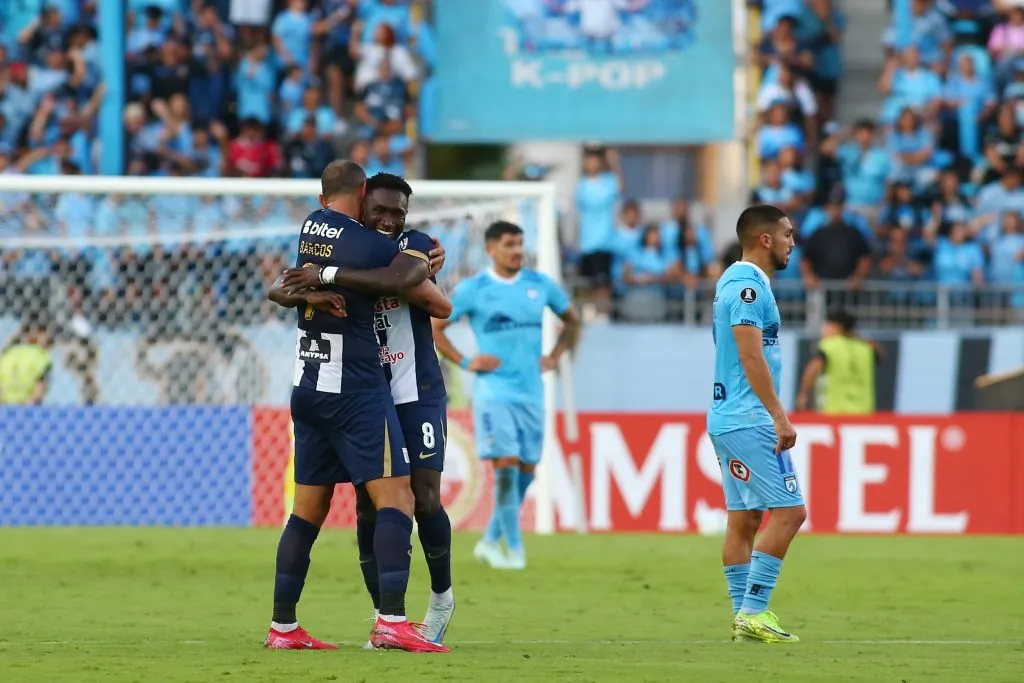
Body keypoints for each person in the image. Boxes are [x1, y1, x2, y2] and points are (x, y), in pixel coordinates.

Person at [264, 160, 448, 653]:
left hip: (307, 384)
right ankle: (391, 620)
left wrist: (314, 282)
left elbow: (278, 286)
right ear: (362, 193)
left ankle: (283, 628)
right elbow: (402, 277)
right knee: (398, 498)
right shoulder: (368, 246)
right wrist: (424, 254)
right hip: (356, 388)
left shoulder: (310, 228)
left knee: (308, 511)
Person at [431, 221, 581, 570]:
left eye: (520, 243)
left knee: (526, 469)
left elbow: (572, 320)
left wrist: (555, 356)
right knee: (507, 466)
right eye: (510, 244)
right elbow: (435, 327)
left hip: (531, 392)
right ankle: (513, 551)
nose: (517, 250)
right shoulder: (475, 289)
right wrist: (467, 362)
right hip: (494, 391)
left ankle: (488, 541)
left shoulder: (539, 285)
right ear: (491, 249)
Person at [708, 204, 805, 644]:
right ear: (765, 239)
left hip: (729, 417)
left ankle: (742, 617)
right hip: (749, 419)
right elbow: (750, 355)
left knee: (744, 518)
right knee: (790, 512)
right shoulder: (748, 287)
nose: (792, 240)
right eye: (787, 233)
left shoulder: (736, 280)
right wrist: (779, 415)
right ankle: (753, 610)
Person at [796, 309, 879, 414]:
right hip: (864, 412)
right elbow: (880, 354)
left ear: (837, 327)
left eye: (827, 325)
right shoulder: (865, 348)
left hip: (834, 411)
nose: (823, 329)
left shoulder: (828, 346)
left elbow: (813, 369)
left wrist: (803, 395)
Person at [0, 320, 52, 405]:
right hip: (27, 408)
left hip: (4, 407)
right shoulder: (42, 357)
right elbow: (39, 391)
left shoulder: (7, 355)